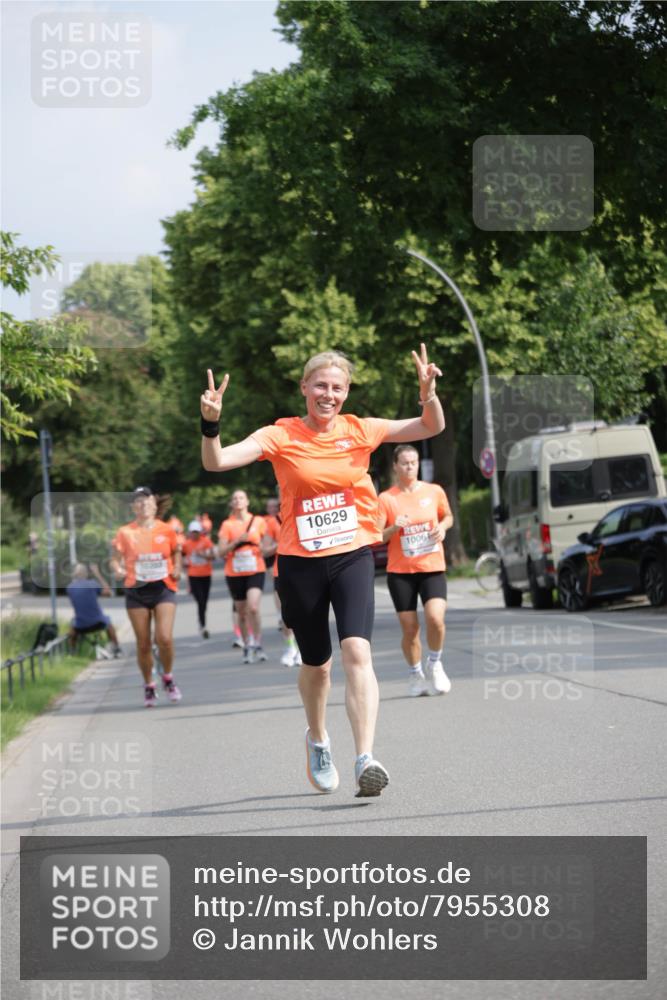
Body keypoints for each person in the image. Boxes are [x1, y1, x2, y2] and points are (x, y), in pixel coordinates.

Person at [200, 344, 444, 797]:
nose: (327, 394)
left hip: (351, 555)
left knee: (357, 652)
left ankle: (365, 757)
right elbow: (215, 461)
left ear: (346, 392)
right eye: (320, 386)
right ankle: (318, 738)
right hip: (299, 564)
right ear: (305, 388)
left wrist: (427, 393)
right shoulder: (281, 434)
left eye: (337, 387)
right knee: (319, 666)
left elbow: (431, 425)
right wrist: (211, 423)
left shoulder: (361, 429)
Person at [377, 445, 454, 697]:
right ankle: (415, 673)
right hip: (401, 572)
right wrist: (393, 528)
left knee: (435, 619)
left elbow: (448, 517)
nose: (410, 467)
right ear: (395, 467)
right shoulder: (387, 499)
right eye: (405, 463)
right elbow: (377, 537)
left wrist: (442, 528)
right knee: (410, 629)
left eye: (414, 462)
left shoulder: (434, 491)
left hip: (432, 566)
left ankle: (435, 662)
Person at [110, 487, 183, 707]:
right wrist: (117, 569)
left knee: (164, 638)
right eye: (138, 502)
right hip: (136, 590)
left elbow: (176, 552)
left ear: (154, 503)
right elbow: (114, 558)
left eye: (147, 500)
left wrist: (178, 567)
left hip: (163, 587)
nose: (143, 505)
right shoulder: (125, 532)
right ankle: (149, 684)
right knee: (143, 644)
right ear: (134, 507)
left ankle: (168, 677)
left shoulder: (167, 529)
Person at [217, 490, 268, 663]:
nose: (238, 501)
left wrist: (265, 548)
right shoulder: (227, 525)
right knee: (242, 612)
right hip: (234, 571)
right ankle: (247, 644)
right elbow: (220, 551)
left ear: (247, 502)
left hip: (255, 569)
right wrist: (237, 541)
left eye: (241, 498)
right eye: (235, 498)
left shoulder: (259, 521)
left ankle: (258, 642)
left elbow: (266, 545)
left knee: (253, 607)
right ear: (231, 504)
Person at [261, 501, 301, 667]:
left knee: (305, 613)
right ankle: (291, 648)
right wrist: (281, 543)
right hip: (282, 569)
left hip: (305, 568)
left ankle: (302, 650)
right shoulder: (272, 522)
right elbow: (265, 550)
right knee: (287, 615)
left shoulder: (304, 511)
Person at [66, 563, 122, 657]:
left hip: (80, 625)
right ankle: (116, 648)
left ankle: (72, 652)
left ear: (75, 574)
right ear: (86, 574)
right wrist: (98, 574)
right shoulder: (92, 584)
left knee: (72, 626)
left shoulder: (70, 588)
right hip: (98, 622)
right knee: (109, 623)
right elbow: (108, 592)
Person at [182, 519, 216, 638]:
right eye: (192, 532)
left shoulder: (206, 541)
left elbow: (213, 556)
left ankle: (202, 623)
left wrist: (203, 555)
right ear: (189, 532)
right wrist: (184, 563)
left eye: (196, 532)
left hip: (206, 574)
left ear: (200, 532)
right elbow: (181, 558)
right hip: (193, 576)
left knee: (204, 601)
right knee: (200, 600)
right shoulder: (186, 544)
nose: (194, 534)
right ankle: (203, 625)